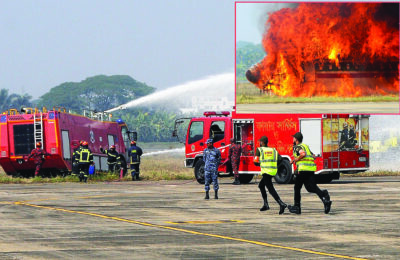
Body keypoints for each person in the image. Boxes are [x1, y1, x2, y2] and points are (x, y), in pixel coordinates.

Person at [288, 132, 332, 214]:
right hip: (310, 170)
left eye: (293, 138)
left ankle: (297, 207)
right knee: (311, 188)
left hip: (303, 170)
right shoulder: (306, 146)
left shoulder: (297, 147)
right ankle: (325, 197)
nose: (293, 139)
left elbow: (303, 154)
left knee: (297, 187)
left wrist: (296, 159)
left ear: (296, 139)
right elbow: (313, 156)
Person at [253, 136, 287, 214]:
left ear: (262, 142)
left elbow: (255, 162)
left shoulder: (259, 149)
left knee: (270, 189)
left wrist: (261, 164)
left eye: (260, 142)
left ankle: (281, 203)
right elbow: (280, 159)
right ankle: (266, 204)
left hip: (266, 171)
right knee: (261, 185)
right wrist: (274, 164)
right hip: (272, 171)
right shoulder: (273, 150)